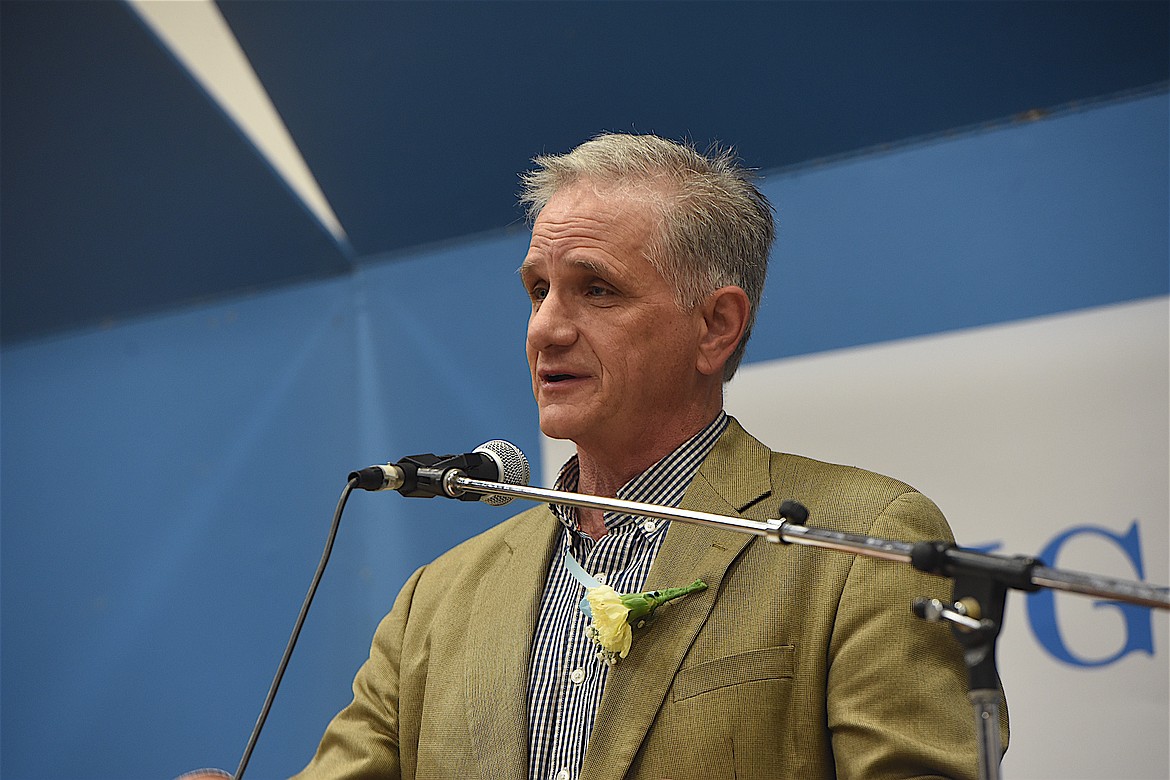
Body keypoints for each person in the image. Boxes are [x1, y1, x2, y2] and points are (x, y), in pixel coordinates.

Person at [294, 133, 1007, 779]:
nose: (544, 329)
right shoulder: (437, 599)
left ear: (715, 327)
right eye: (537, 290)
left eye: (596, 289)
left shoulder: (863, 544)